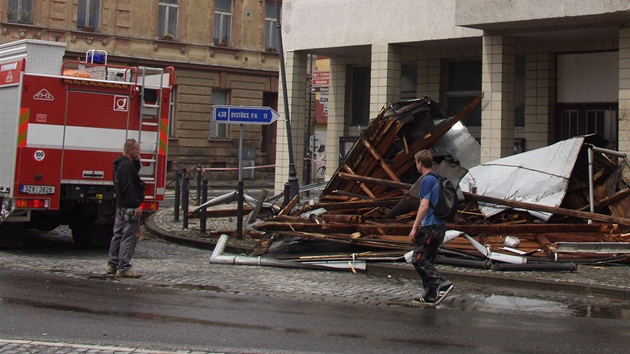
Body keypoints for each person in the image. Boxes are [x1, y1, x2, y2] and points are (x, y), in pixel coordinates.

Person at [408, 149, 454, 305]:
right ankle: (430, 295)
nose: (416, 166)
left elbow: (424, 206)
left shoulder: (427, 180)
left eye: (416, 163)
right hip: (440, 227)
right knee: (428, 260)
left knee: (418, 259)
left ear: (420, 163)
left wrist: (414, 228)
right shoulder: (437, 178)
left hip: (430, 227)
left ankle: (442, 283)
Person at [107, 138, 145, 278]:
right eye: (137, 149)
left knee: (117, 235)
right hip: (129, 207)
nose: (138, 151)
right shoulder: (127, 167)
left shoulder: (119, 164)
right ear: (130, 150)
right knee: (129, 237)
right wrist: (136, 205)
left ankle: (112, 264)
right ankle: (123, 267)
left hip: (120, 206)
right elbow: (129, 187)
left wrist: (136, 159)